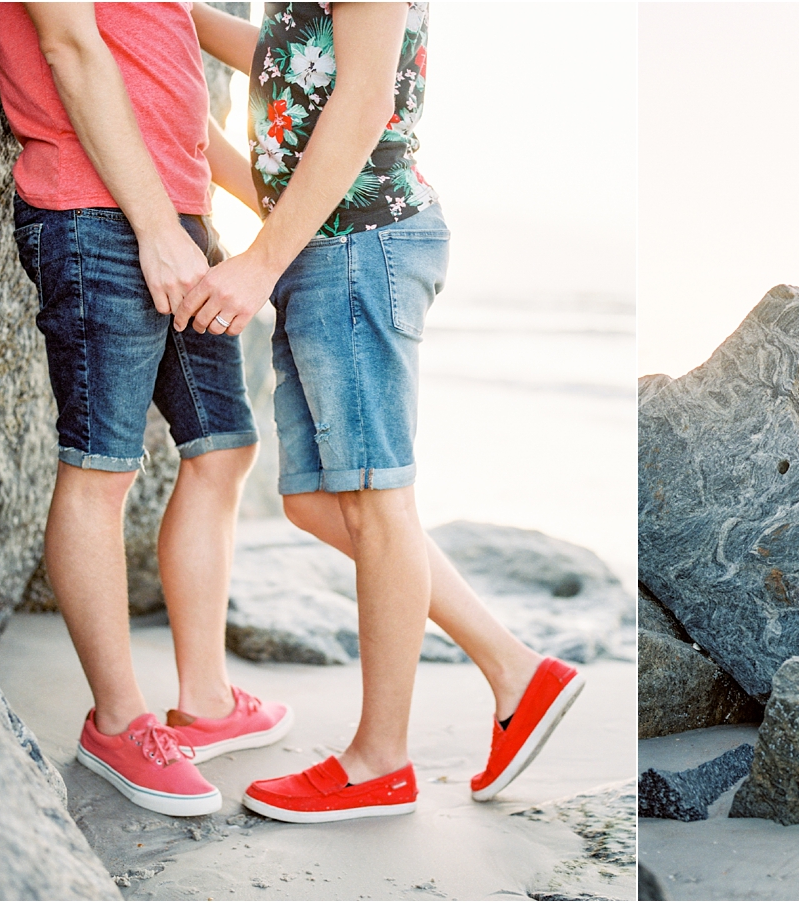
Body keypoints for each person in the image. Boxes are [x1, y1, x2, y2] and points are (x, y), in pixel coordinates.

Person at [179, 2, 583, 822]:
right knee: (318, 501)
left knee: (376, 499)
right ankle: (516, 669)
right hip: (322, 251)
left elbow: (362, 104)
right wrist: (180, 17)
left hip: (359, 246)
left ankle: (379, 760)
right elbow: (295, 57)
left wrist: (259, 260)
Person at [0, 2, 290, 817]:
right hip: (95, 212)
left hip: (177, 216)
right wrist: (156, 227)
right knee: (100, 468)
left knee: (223, 446)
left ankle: (207, 700)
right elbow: (68, 42)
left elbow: (171, 87)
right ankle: (118, 723)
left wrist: (277, 217)